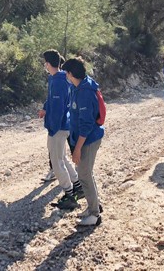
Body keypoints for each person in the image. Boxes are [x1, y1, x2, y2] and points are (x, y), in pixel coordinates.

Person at [38, 50, 83, 209]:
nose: (44, 65)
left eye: (45, 62)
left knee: (56, 162)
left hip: (58, 126)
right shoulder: (56, 78)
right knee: (62, 157)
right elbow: (51, 100)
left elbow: (57, 108)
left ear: (48, 64)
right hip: (62, 125)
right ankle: (77, 185)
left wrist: (52, 128)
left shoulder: (58, 81)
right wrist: (45, 108)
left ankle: (69, 194)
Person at [63, 58, 105, 226]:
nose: (65, 75)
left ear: (71, 74)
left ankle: (94, 215)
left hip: (88, 139)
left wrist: (77, 149)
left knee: (84, 175)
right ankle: (93, 206)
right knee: (86, 173)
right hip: (84, 138)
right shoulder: (78, 87)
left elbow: (86, 124)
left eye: (66, 73)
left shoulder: (85, 92)